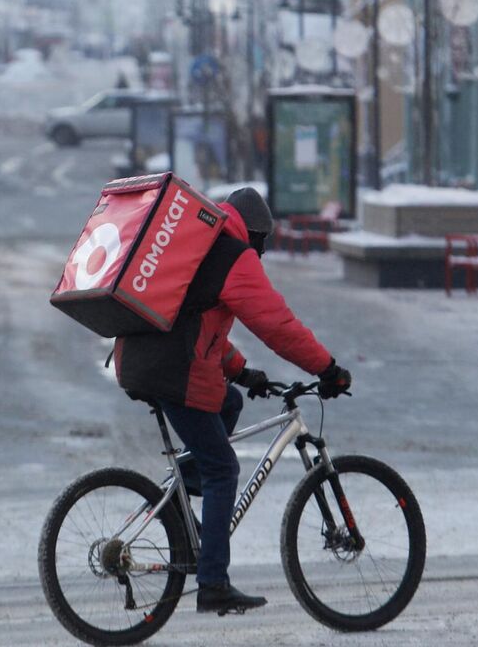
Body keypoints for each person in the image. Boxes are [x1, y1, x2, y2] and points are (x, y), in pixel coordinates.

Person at [112, 186, 352, 617]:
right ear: (255, 233)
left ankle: (181, 513)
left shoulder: (201, 245)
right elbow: (277, 324)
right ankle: (213, 584)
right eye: (263, 243)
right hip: (172, 371)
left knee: (228, 403)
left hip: (147, 360)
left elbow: (197, 328)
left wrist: (242, 372)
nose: (260, 253)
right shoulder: (233, 255)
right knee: (223, 469)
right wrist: (326, 368)